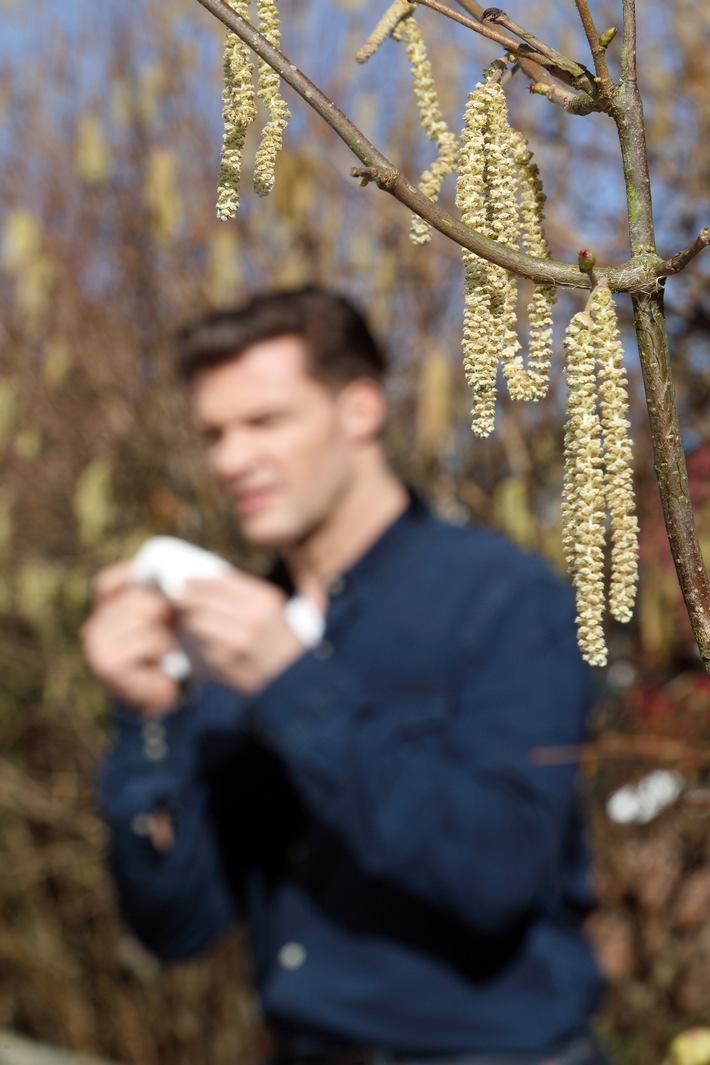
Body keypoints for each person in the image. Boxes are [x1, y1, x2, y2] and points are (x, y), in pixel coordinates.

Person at [82, 286, 607, 1065]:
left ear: (359, 409)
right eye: (213, 433)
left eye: (264, 421)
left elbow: (496, 870)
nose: (230, 459)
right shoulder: (237, 632)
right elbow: (180, 926)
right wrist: (150, 716)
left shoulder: (502, 600)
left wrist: (293, 685)